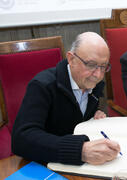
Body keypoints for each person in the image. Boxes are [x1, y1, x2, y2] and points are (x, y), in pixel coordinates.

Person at [12, 32, 120, 165]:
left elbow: (74, 119)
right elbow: (21, 139)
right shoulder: (42, 85)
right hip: (45, 164)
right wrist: (81, 150)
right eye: (91, 64)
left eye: (103, 66)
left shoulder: (94, 84)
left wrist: (92, 119)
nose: (98, 75)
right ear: (71, 59)